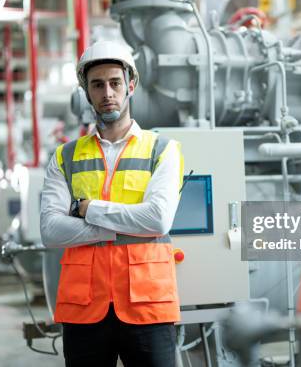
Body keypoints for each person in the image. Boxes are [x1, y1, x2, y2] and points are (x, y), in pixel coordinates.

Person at [40, 40, 184, 367]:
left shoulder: (162, 149)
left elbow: (158, 220)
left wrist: (90, 209)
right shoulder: (65, 156)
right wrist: (125, 230)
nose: (107, 93)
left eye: (115, 83)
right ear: (86, 92)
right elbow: (51, 231)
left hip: (147, 305)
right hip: (84, 309)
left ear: (130, 86)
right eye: (97, 85)